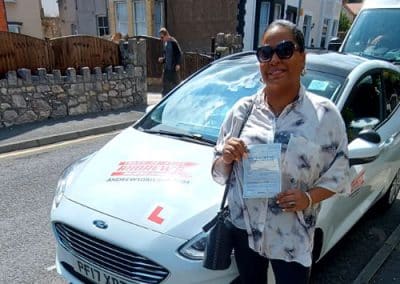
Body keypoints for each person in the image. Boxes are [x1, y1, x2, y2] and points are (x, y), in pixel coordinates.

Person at [211, 20, 351, 284]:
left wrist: (308, 198)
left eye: (285, 50)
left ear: (302, 58)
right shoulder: (242, 111)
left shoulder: (324, 115)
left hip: (292, 236)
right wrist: (226, 158)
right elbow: (219, 175)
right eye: (265, 53)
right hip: (246, 231)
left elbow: (340, 175)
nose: (274, 60)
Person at [158, 27, 182, 96]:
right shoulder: (165, 44)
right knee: (165, 87)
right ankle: (164, 100)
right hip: (167, 68)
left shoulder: (173, 42)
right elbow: (167, 57)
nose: (161, 39)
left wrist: (178, 64)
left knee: (176, 86)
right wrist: (163, 60)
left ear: (166, 35)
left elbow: (179, 53)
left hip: (173, 68)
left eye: (162, 37)